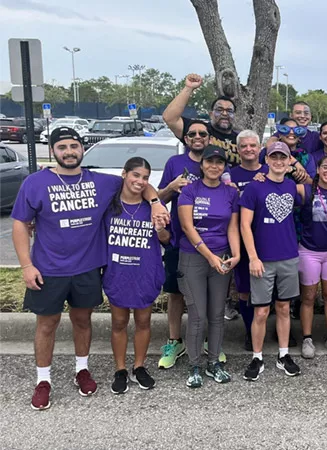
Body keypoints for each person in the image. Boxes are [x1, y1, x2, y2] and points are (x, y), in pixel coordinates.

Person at [11, 126, 168, 411]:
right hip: (49, 268)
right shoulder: (35, 183)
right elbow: (20, 223)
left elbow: (140, 183)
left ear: (82, 148)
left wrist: (156, 203)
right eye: (63, 147)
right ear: (53, 150)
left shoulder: (101, 182)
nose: (69, 151)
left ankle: (82, 371)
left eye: (74, 146)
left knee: (82, 321)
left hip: (88, 268)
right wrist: (26, 265)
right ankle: (43, 381)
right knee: (47, 324)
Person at [156, 119, 218, 369]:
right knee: (176, 293)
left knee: (209, 294)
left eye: (203, 133)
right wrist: (170, 187)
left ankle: (207, 342)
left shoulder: (217, 163)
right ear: (186, 138)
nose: (197, 136)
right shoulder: (175, 163)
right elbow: (157, 199)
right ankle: (175, 341)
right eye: (192, 133)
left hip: (213, 240)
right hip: (178, 239)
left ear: (210, 138)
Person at [178, 145, 240, 388]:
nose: (214, 166)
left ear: (224, 167)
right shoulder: (190, 190)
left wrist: (235, 254)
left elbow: (232, 227)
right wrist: (209, 256)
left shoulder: (230, 193)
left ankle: (214, 362)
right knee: (197, 315)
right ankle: (194, 365)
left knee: (216, 315)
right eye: (209, 162)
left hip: (222, 256)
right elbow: (187, 227)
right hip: (193, 257)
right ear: (201, 164)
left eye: (219, 163)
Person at [105, 157, 168, 394]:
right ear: (124, 174)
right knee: (119, 322)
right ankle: (120, 369)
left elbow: (166, 240)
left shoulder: (154, 207)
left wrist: (160, 228)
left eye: (145, 178)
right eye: (136, 175)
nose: (140, 181)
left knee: (143, 321)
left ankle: (139, 366)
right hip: (118, 272)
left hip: (145, 271)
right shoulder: (109, 205)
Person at [240, 142, 302, 380]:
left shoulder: (291, 186)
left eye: (283, 157)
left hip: (288, 256)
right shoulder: (255, 188)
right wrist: (253, 257)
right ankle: (257, 357)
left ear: (288, 161)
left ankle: (283, 354)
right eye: (274, 157)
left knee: (284, 307)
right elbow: (245, 224)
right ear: (267, 160)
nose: (278, 161)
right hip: (262, 259)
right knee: (261, 311)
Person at [298, 156, 327, 358]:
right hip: (309, 251)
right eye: (325, 166)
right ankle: (307, 338)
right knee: (308, 297)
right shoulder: (305, 189)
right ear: (317, 169)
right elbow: (279, 185)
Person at [230, 130, 269, 351]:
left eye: (253, 145)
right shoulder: (229, 176)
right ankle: (249, 330)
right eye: (244, 146)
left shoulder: (269, 171)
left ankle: (267, 328)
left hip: (268, 239)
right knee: (244, 290)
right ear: (238, 150)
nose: (248, 149)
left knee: (271, 290)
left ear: (260, 147)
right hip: (243, 241)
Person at [163, 73, 239, 165]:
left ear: (234, 115)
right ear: (211, 114)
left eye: (229, 111)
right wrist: (189, 88)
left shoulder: (241, 140)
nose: (224, 114)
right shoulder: (199, 131)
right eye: (219, 110)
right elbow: (170, 118)